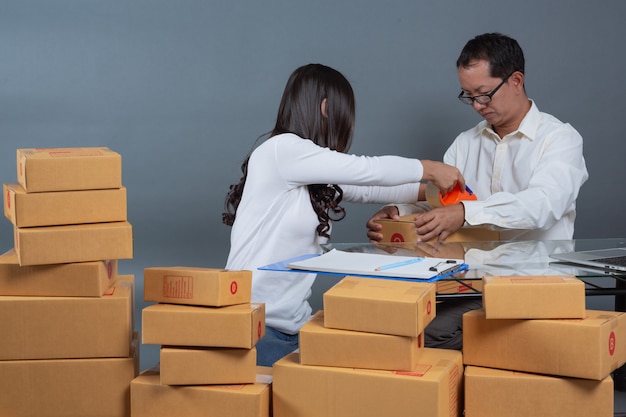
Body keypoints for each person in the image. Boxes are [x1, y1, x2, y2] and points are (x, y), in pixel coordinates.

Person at [223, 63, 465, 366]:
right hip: (254, 323)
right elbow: (366, 170)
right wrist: (429, 168)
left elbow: (368, 190)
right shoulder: (282, 150)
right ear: (326, 108)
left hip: (292, 324)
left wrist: (438, 193)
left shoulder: (308, 169)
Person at [366, 33, 589, 350]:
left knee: (429, 331)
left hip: (535, 280)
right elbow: (440, 208)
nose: (477, 106)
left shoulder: (560, 139)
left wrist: (466, 213)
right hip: (468, 279)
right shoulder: (465, 143)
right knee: (391, 316)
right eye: (468, 96)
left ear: (515, 80)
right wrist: (398, 214)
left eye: (484, 94)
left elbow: (544, 205)